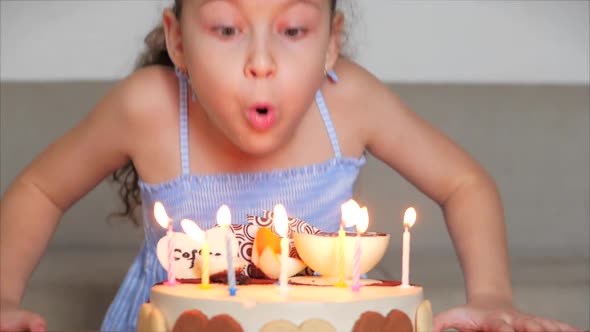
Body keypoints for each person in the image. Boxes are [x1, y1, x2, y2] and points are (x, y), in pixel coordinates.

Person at [0, 1, 581, 332]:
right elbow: (39, 187)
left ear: (331, 42)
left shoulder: (348, 101)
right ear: (178, 41)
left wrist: (492, 296)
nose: (261, 63)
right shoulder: (148, 107)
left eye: (294, 30)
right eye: (226, 30)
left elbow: (464, 181)